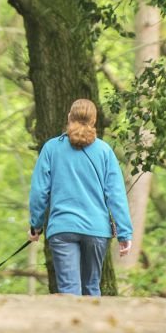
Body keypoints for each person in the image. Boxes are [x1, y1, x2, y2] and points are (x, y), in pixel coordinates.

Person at [27, 97, 134, 297]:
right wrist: (124, 233)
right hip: (97, 230)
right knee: (92, 289)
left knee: (69, 292)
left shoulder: (51, 148)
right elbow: (116, 195)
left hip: (62, 228)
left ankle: (73, 327)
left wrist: (36, 225)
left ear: (69, 117)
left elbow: (39, 191)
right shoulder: (104, 151)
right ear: (94, 121)